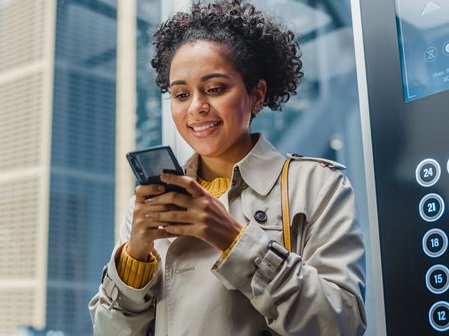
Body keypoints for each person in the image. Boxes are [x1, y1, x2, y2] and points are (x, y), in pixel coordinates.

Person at [89, 1, 367, 335]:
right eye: (180, 94)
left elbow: (341, 324)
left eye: (216, 89)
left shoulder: (317, 185)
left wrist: (232, 238)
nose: (196, 107)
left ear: (257, 95)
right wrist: (134, 257)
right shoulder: (149, 206)